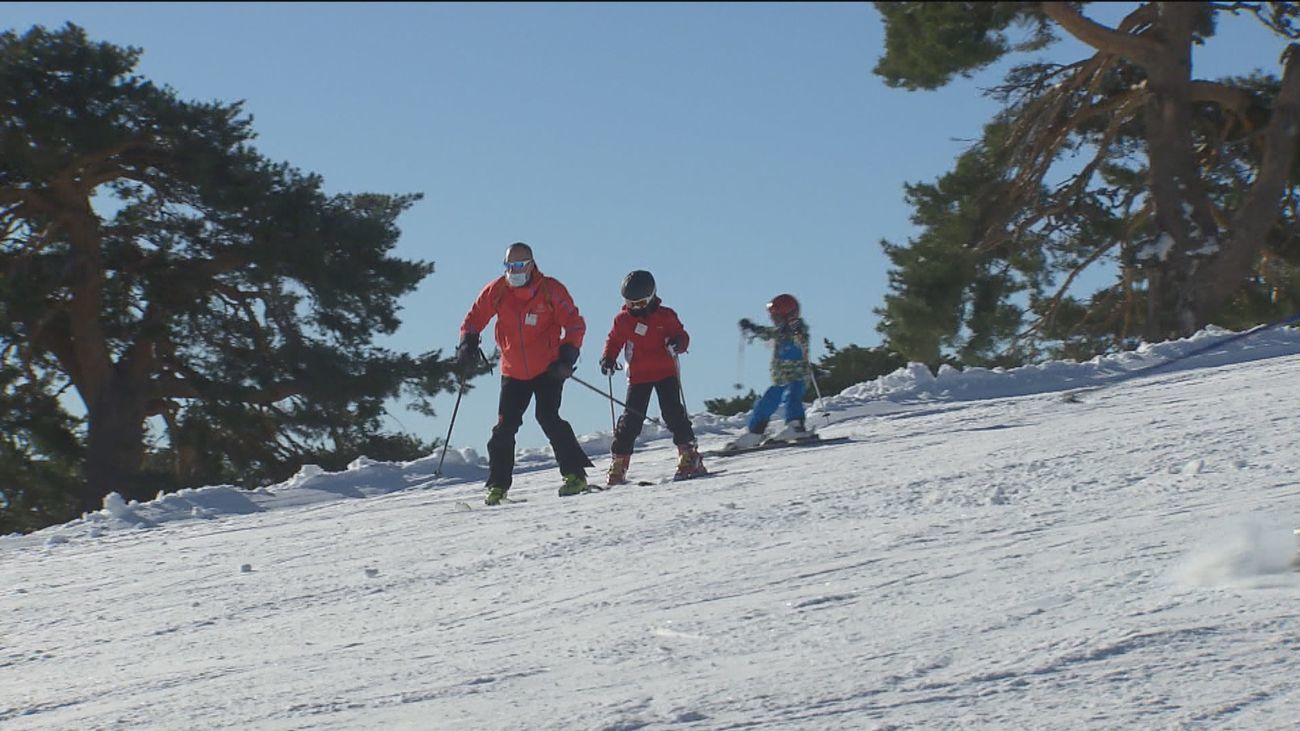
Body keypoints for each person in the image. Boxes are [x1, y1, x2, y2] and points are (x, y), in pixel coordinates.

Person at [456, 242, 594, 505]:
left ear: (531, 264)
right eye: (509, 266)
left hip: (548, 369)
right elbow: (474, 318)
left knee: (548, 417)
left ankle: (575, 476)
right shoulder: (497, 291)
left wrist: (567, 357)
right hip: (513, 370)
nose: (514, 271)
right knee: (504, 428)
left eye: (519, 265)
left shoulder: (550, 290)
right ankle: (497, 486)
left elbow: (575, 324)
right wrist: (467, 342)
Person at [598, 270, 706, 485]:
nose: (635, 309)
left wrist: (678, 343)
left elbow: (682, 335)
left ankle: (689, 454)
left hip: (666, 373)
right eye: (630, 304)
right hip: (638, 376)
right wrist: (608, 358)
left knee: (673, 413)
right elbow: (614, 340)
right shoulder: (623, 320)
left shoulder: (665, 316)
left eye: (639, 304)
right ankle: (619, 462)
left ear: (651, 298)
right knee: (630, 421)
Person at [730, 293, 813, 449]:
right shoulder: (780, 331)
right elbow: (768, 333)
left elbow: (799, 337)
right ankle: (756, 432)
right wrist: (752, 327)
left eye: (775, 315)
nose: (772, 319)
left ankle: (796, 425)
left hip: (797, 377)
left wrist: (795, 329)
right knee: (767, 401)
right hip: (781, 378)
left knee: (792, 397)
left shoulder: (797, 328)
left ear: (787, 314)